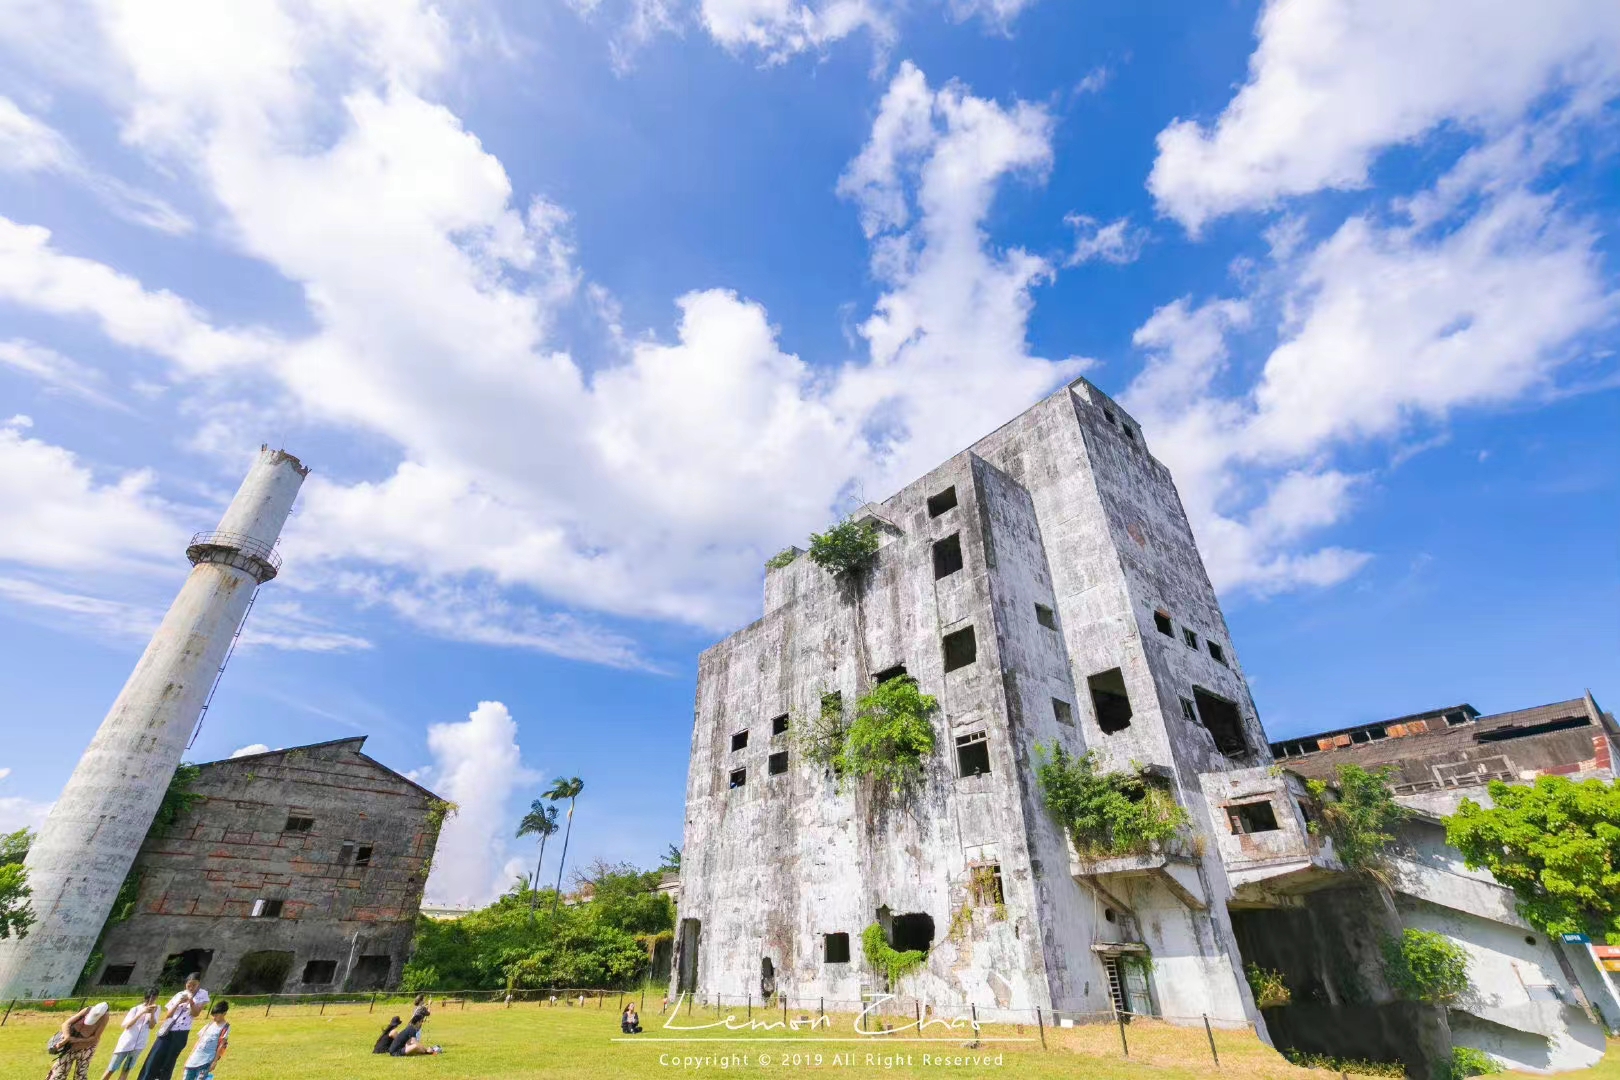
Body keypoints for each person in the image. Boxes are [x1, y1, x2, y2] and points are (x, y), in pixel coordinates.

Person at [138, 973, 209, 1080]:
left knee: (169, 1060)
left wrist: (191, 1001)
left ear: (199, 983)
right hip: (168, 1028)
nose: (191, 987)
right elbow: (168, 1015)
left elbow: (195, 1013)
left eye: (194, 985)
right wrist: (179, 1002)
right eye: (189, 985)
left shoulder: (202, 994)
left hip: (181, 1032)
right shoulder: (179, 994)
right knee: (154, 1057)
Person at [102, 991, 161, 1079]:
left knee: (126, 1069)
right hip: (126, 1043)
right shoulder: (135, 1009)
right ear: (146, 998)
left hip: (139, 1045)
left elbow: (152, 1026)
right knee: (111, 1068)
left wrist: (152, 1014)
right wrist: (141, 1013)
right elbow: (127, 1025)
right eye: (150, 999)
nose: (152, 1001)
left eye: (154, 999)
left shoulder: (157, 1009)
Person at [46, 1001, 109, 1080]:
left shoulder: (105, 1017)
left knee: (81, 1075)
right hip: (69, 1046)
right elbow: (66, 1023)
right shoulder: (87, 1010)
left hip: (87, 1047)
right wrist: (67, 1037)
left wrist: (76, 1040)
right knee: (60, 1073)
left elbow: (95, 1037)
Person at [179, 1002, 229, 1080]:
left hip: (206, 1061)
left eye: (216, 1015)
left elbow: (221, 1046)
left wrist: (214, 1062)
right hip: (194, 1059)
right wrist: (189, 1057)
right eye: (213, 1016)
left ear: (224, 1013)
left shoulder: (225, 1027)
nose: (214, 1018)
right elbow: (198, 1042)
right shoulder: (209, 1025)